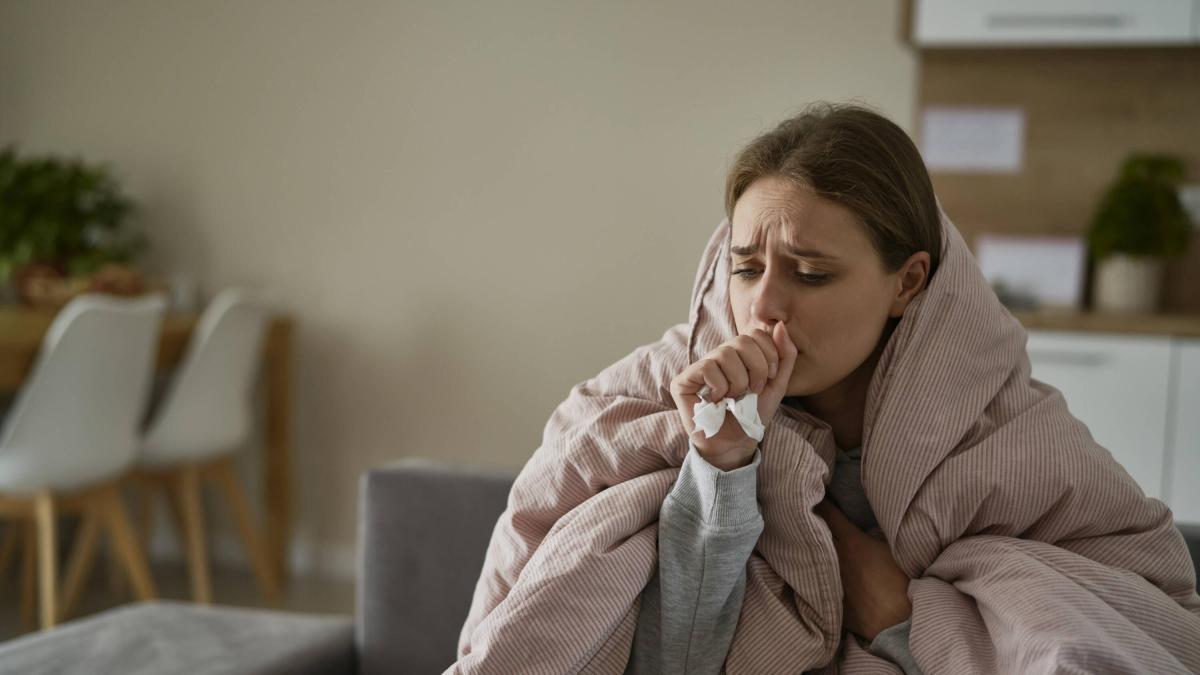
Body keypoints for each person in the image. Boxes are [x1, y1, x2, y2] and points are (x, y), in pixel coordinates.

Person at [624, 102, 933, 674]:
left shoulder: (998, 436)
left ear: (906, 282)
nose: (762, 307)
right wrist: (721, 464)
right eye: (745, 269)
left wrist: (903, 626)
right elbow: (669, 663)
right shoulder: (656, 396)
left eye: (811, 274)